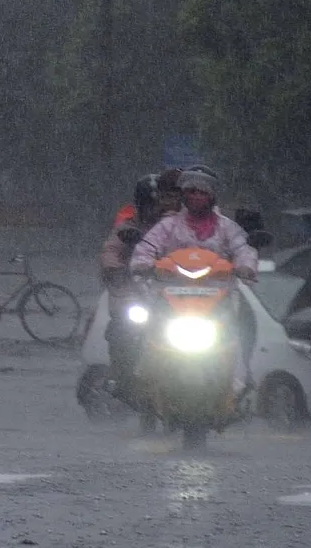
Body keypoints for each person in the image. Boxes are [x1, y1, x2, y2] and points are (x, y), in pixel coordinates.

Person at [129, 168, 260, 390]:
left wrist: (246, 266)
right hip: (171, 295)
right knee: (145, 324)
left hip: (219, 297)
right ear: (184, 195)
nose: (197, 197)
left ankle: (241, 376)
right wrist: (142, 263)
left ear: (212, 196)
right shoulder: (168, 226)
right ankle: (145, 375)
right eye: (192, 191)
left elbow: (243, 248)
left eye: (203, 192)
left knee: (245, 322)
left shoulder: (227, 227)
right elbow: (147, 246)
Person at [99, 171, 181, 398]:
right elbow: (112, 249)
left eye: (162, 202)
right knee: (122, 329)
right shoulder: (129, 225)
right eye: (151, 204)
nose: (157, 208)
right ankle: (122, 377)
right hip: (138, 293)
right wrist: (114, 268)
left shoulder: (181, 226)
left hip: (176, 295)